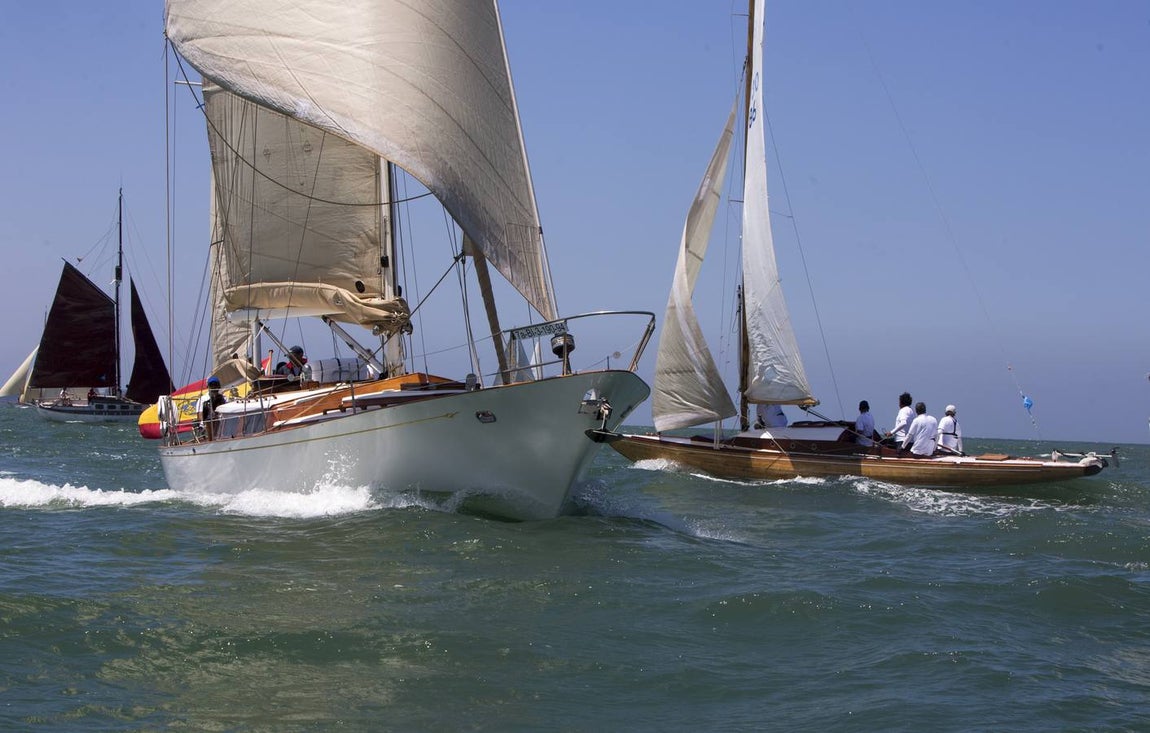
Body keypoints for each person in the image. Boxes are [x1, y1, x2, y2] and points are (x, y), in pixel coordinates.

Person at [201, 376, 227, 440]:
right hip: (210, 424)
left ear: (218, 386)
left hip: (222, 424)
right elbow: (203, 417)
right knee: (209, 422)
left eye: (215, 385)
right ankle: (211, 441)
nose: (213, 387)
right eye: (211, 385)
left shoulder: (224, 398)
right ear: (208, 387)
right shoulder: (204, 400)